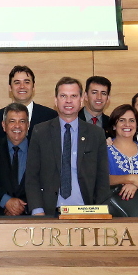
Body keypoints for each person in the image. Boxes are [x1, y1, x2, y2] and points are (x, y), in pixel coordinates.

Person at [26, 77, 110, 214]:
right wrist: (37, 210)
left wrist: (101, 211)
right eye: (63, 96)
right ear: (55, 100)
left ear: (82, 99)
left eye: (74, 96)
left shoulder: (96, 134)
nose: (68, 101)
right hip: (48, 212)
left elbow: (102, 179)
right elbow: (32, 176)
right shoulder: (40, 132)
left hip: (86, 211)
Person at [0, 65, 56, 141]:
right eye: (17, 82)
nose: (22, 86)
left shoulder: (50, 116)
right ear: (10, 88)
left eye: (27, 82)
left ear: (33, 87)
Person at [0, 103, 29, 215]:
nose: (17, 126)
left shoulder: (40, 149)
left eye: (22, 121)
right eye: (12, 121)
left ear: (28, 125)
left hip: (32, 217)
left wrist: (21, 207)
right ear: (4, 125)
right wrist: (6, 201)